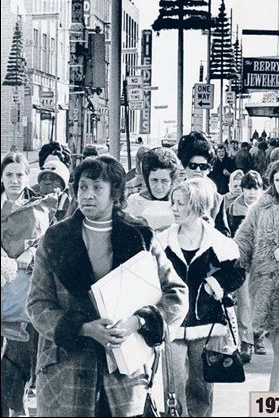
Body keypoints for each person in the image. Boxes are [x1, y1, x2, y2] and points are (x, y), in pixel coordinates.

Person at [26, 156, 189, 417]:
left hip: (124, 373)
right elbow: (36, 305)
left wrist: (138, 322)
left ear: (115, 192)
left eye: (97, 188)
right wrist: (82, 328)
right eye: (82, 187)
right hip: (65, 371)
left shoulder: (139, 235)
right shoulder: (55, 238)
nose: (87, 195)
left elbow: (177, 295)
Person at [157, 178, 245, 417]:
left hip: (206, 325)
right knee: (172, 388)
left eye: (181, 203)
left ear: (198, 206)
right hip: (172, 325)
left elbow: (237, 273)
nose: (174, 208)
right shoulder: (162, 241)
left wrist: (214, 284)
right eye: (172, 202)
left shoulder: (218, 243)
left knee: (201, 386)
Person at [234, 155, 279, 390]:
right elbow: (245, 237)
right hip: (265, 286)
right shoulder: (261, 206)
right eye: (278, 179)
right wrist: (235, 261)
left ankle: (271, 401)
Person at [1, 153, 54, 417]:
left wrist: (30, 255)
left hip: (20, 301)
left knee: (15, 372)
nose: (14, 180)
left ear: (27, 176)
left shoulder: (39, 209)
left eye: (19, 175)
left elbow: (45, 244)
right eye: (9, 174)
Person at [227, 171, 265, 363]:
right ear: (242, 189)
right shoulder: (233, 208)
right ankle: (246, 342)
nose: (251, 193)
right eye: (248, 188)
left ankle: (258, 335)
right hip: (243, 262)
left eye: (255, 188)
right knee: (244, 302)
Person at [177, 132, 231, 236]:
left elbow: (225, 234)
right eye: (193, 165)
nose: (197, 170)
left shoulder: (216, 198)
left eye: (203, 167)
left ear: (209, 169)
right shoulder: (174, 193)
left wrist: (212, 228)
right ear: (185, 165)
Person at [126, 147, 180, 232]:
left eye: (164, 181)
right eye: (154, 180)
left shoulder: (181, 203)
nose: (159, 187)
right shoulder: (134, 202)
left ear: (172, 180)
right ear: (147, 179)